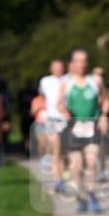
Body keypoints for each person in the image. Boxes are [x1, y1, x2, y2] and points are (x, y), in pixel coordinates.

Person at [58, 48, 108, 213]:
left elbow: (105, 100)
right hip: (74, 128)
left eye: (84, 61)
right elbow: (59, 103)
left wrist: (104, 116)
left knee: (91, 162)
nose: (82, 64)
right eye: (78, 61)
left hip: (92, 127)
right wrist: (64, 111)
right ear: (72, 63)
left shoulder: (96, 81)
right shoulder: (67, 83)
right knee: (76, 167)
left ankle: (92, 195)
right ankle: (81, 198)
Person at [38, 58, 68, 193]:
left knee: (65, 151)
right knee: (56, 149)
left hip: (67, 120)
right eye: (55, 67)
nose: (58, 69)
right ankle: (58, 181)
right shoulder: (45, 81)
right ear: (51, 69)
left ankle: (65, 175)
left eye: (60, 67)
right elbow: (42, 96)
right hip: (52, 119)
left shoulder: (68, 79)